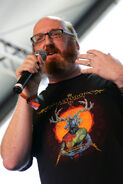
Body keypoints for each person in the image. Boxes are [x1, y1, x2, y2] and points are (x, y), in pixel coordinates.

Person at [0, 16, 123, 184]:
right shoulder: (34, 104)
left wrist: (122, 77)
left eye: (56, 34)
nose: (47, 43)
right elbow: (11, 161)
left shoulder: (108, 82)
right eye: (39, 38)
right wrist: (27, 95)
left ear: (76, 45)